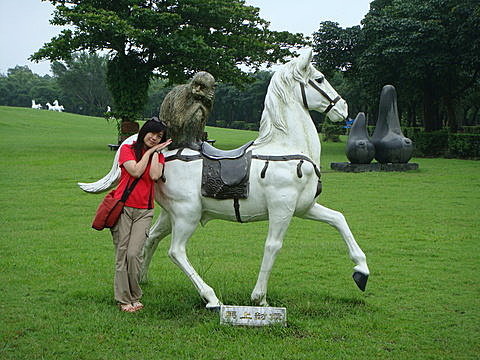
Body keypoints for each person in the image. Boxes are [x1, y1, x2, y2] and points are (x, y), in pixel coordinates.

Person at [112, 118, 172, 312]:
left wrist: (155, 154)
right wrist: (150, 152)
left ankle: (135, 295)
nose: (155, 138)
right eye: (152, 133)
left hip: (144, 211)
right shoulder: (127, 149)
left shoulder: (158, 157)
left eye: (160, 136)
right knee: (122, 254)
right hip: (123, 208)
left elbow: (154, 176)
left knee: (134, 253)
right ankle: (124, 300)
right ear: (144, 131)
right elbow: (136, 171)